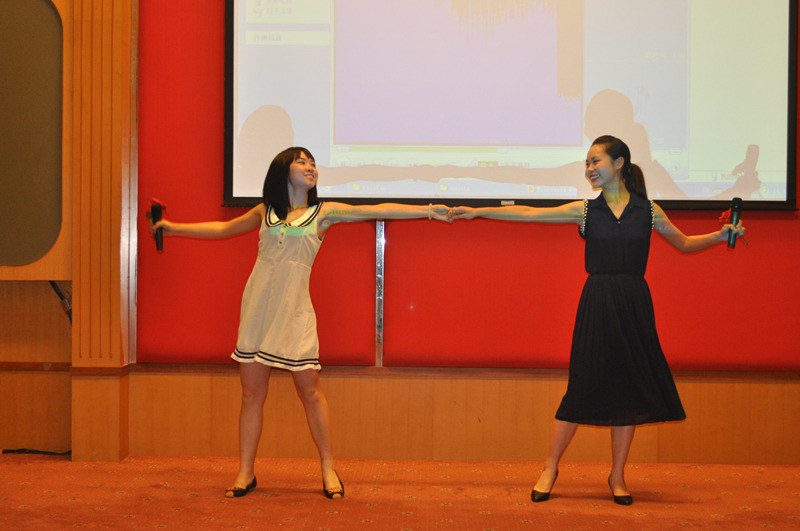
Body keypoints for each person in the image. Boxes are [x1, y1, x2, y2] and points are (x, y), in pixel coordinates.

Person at [449, 135, 745, 505]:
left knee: (628, 390)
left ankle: (617, 476)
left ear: (619, 163)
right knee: (581, 386)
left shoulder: (649, 211)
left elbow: (683, 243)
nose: (589, 168)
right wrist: (479, 211)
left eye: (595, 161)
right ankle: (550, 467)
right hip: (597, 301)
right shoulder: (585, 210)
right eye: (587, 163)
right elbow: (529, 213)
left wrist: (720, 235)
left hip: (634, 304)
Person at [150, 146, 450, 499]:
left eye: (313, 163)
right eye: (301, 162)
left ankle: (328, 468)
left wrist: (427, 210)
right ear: (283, 170)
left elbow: (376, 209)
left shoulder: (324, 213)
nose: (310, 167)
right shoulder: (264, 212)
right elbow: (223, 228)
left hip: (295, 312)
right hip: (258, 309)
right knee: (251, 394)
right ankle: (245, 472)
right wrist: (172, 228)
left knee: (310, 391)